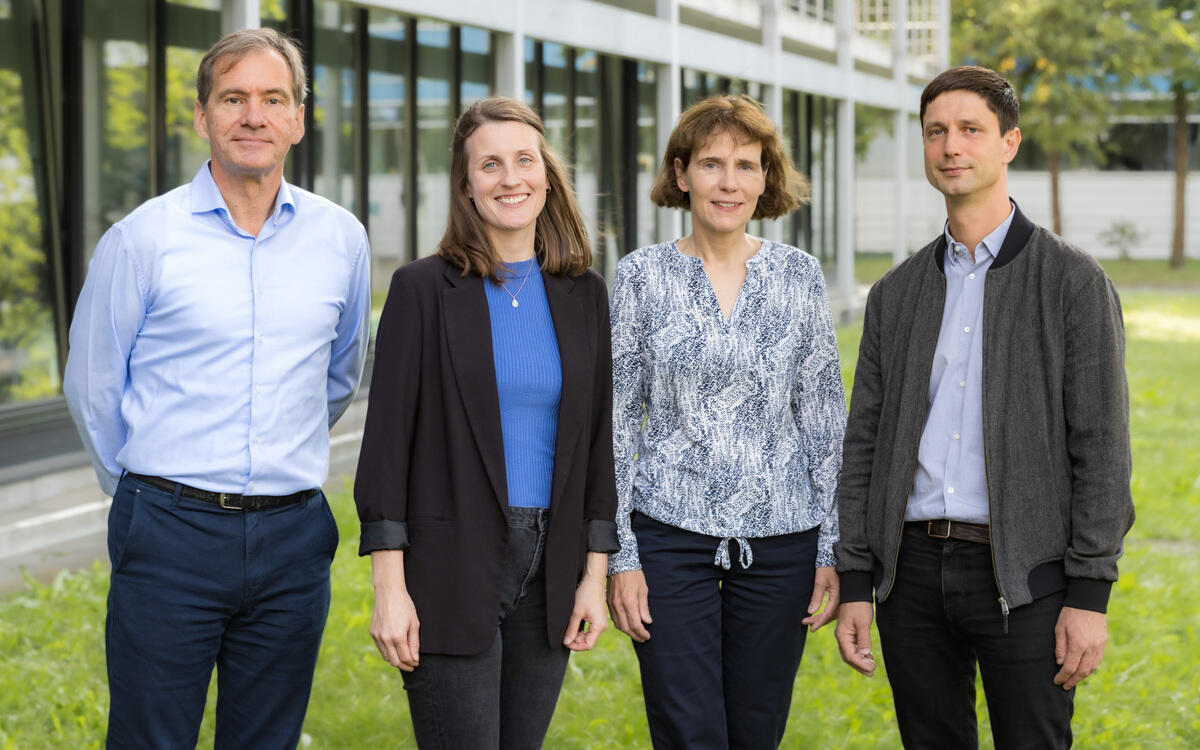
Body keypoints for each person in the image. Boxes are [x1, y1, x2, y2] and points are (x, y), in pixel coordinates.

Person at [62, 28, 370, 750]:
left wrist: (273, 456)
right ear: (201, 116)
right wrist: (146, 493)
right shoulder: (143, 238)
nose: (252, 117)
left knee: (267, 739)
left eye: (272, 99)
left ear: (298, 116)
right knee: (149, 737)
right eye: (233, 98)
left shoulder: (341, 240)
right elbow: (93, 385)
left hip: (293, 538)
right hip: (168, 531)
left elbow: (338, 376)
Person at [834, 66, 1134, 749]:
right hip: (909, 577)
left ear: (1010, 144)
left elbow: (1104, 451)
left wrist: (1088, 596)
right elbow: (865, 444)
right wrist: (858, 575)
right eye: (936, 131)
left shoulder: (1073, 283)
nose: (950, 146)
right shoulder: (896, 293)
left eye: (971, 129)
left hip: (1025, 577)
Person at [353, 96, 619, 749]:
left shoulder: (583, 292)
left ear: (548, 175)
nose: (510, 178)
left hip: (551, 569)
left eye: (524, 160)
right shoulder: (422, 290)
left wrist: (594, 576)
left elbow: (597, 447)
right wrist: (390, 589)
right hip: (449, 566)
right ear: (467, 186)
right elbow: (386, 449)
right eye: (490, 165)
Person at [606, 94, 846, 749]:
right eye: (711, 164)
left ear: (767, 177)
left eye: (746, 164)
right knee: (688, 730)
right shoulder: (640, 277)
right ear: (681, 174)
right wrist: (621, 556)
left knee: (757, 728)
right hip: (666, 536)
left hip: (782, 538)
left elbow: (824, 420)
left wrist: (831, 550)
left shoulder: (799, 276)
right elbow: (618, 425)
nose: (729, 181)